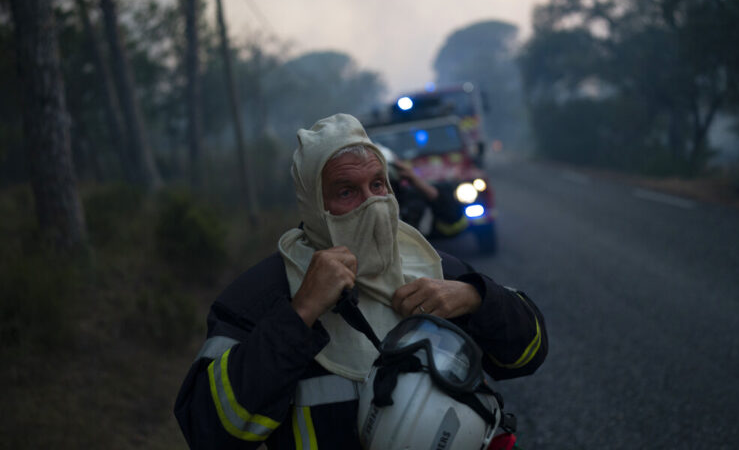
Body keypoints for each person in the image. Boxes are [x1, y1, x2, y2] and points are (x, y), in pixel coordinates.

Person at [174, 113, 547, 449]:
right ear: (313, 205)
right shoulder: (261, 296)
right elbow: (207, 431)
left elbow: (528, 353)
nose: (371, 202)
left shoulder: (434, 268)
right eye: (347, 191)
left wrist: (475, 297)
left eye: (378, 184)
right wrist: (299, 313)